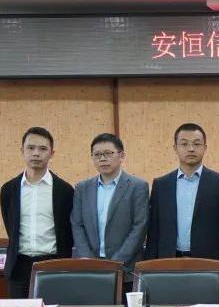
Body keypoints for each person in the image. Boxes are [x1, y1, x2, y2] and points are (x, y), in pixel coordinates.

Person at [144, 122, 219, 287]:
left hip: (208, 263)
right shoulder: (161, 184)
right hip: (168, 262)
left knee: (205, 303)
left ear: (205, 147)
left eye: (196, 144)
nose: (191, 149)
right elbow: (154, 231)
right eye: (184, 144)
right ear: (175, 148)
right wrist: (149, 265)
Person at [0, 127, 74, 298]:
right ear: (22, 151)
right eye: (30, 148)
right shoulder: (9, 190)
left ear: (51, 153)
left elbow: (67, 231)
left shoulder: (64, 190)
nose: (36, 153)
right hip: (18, 266)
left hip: (53, 265)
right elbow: (11, 226)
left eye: (42, 149)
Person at [70, 133, 149, 277]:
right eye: (97, 154)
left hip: (126, 268)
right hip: (89, 268)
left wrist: (115, 263)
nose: (102, 159)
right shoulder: (82, 188)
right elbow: (77, 225)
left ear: (121, 155)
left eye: (108, 153)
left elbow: (139, 227)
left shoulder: (138, 187)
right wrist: (89, 261)